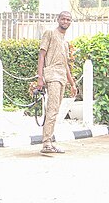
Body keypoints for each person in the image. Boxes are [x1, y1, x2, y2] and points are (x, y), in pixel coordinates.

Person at [36, 11, 77, 154]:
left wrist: (72, 83)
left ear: (70, 22)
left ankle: (49, 142)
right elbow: (41, 55)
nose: (65, 21)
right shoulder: (50, 33)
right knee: (52, 110)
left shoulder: (65, 41)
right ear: (58, 19)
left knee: (55, 110)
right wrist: (40, 77)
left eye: (68, 19)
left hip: (62, 78)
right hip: (52, 75)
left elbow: (66, 65)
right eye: (63, 19)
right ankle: (46, 144)